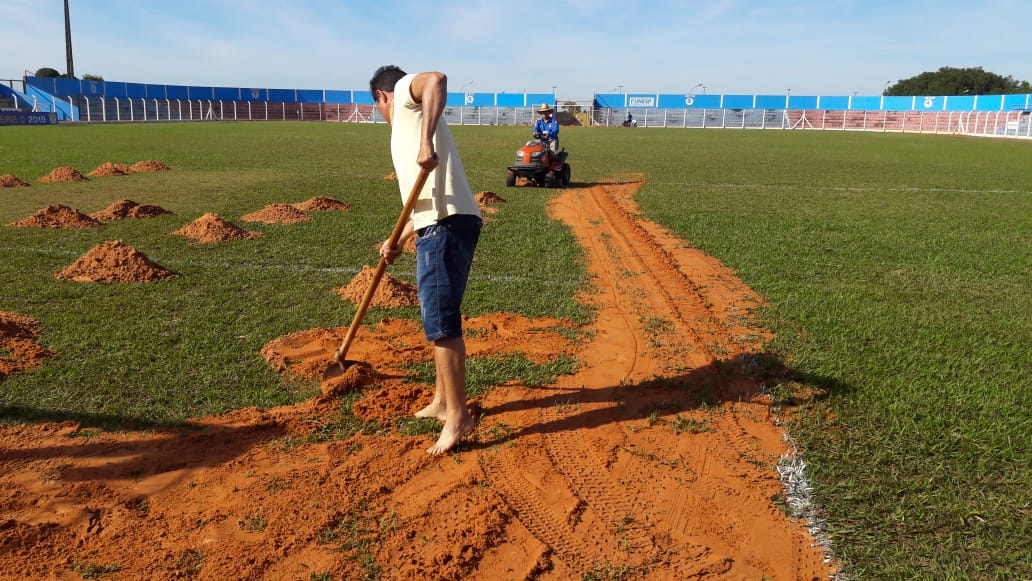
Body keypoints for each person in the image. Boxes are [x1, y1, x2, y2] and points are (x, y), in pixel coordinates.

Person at [369, 65, 483, 456]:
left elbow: (435, 78)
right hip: (443, 221)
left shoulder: (402, 93)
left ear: (382, 97)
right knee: (439, 313)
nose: (382, 115)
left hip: (445, 224)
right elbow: (419, 207)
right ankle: (441, 401)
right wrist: (395, 240)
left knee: (441, 321)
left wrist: (425, 141)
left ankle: (459, 416)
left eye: (377, 108)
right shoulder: (404, 126)